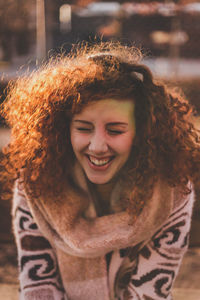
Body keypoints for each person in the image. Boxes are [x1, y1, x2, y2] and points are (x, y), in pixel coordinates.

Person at [1, 42, 200, 300]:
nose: (97, 146)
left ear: (142, 133)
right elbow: (38, 289)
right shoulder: (35, 185)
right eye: (83, 128)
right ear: (63, 129)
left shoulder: (171, 195)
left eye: (115, 130)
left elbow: (148, 295)